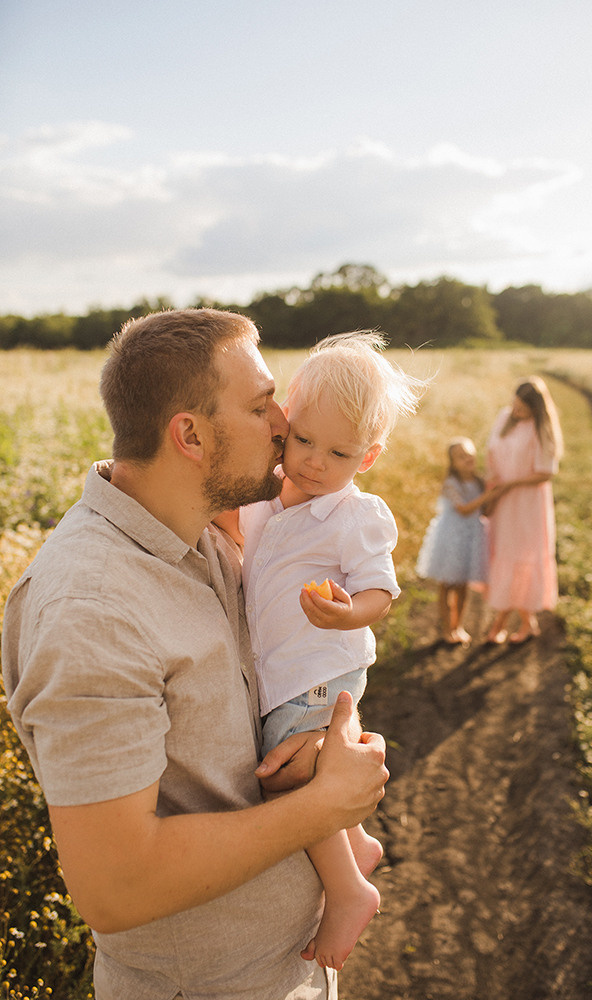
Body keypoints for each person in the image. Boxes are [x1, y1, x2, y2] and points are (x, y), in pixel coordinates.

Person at [1, 308, 389, 1000]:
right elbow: (116, 887)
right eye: (262, 404)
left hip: (289, 967)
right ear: (189, 434)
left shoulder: (207, 530)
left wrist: (324, 737)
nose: (283, 424)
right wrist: (324, 804)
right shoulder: (92, 611)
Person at [223, 330, 427, 973]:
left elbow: (380, 593)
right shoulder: (265, 494)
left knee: (287, 775)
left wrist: (348, 613)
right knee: (293, 768)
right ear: (285, 424)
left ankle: (347, 889)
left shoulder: (354, 515)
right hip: (282, 670)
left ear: (366, 459)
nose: (313, 462)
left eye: (337, 452)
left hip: (320, 664)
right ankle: (356, 843)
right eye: (303, 441)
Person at [483, 376, 564, 645]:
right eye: (515, 404)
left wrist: (510, 485)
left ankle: (500, 623)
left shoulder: (543, 429)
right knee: (503, 553)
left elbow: (545, 473)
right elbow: (492, 453)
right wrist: (493, 486)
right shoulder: (505, 417)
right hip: (502, 500)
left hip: (527, 504)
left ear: (535, 408)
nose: (516, 411)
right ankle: (528, 622)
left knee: (520, 557)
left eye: (522, 408)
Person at [416, 436, 498, 645]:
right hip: (452, 537)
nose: (467, 458)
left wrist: (493, 495)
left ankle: (458, 625)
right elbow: (463, 509)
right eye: (460, 456)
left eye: (469, 453)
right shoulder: (451, 483)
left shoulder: (480, 482)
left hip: (472, 537)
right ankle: (446, 628)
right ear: (452, 463)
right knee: (447, 584)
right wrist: (487, 496)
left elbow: (485, 511)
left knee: (463, 585)